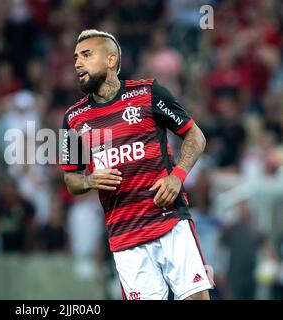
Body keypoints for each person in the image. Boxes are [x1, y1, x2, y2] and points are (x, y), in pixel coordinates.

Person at [61, 29, 211, 300]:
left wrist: (177, 176)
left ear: (110, 60)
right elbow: (71, 179)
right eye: (75, 58)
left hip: (168, 221)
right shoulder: (73, 119)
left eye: (86, 55)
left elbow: (195, 136)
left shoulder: (148, 93)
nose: (77, 63)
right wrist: (90, 181)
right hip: (125, 238)